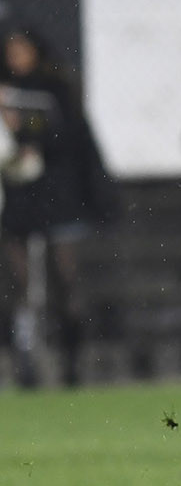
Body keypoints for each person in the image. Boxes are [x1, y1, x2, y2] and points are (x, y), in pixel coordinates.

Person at [0, 25, 114, 388]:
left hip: (56, 199)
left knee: (66, 281)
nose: (15, 58)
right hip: (15, 200)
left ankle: (73, 362)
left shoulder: (57, 87)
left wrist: (35, 136)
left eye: (21, 50)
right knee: (20, 285)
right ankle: (26, 364)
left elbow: (72, 139)